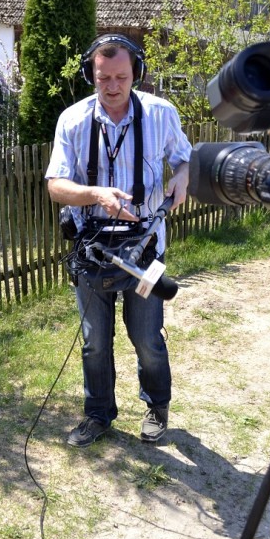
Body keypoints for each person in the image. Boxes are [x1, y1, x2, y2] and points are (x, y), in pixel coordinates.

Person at [45, 34, 192, 448]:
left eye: (121, 77)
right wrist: (95, 194)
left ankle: (156, 407)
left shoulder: (161, 113)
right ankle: (98, 415)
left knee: (146, 338)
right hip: (92, 250)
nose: (112, 87)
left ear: (137, 73)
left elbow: (185, 159)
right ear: (89, 75)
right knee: (94, 343)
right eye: (103, 78)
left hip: (145, 250)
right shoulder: (72, 120)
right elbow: (55, 185)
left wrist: (182, 177)